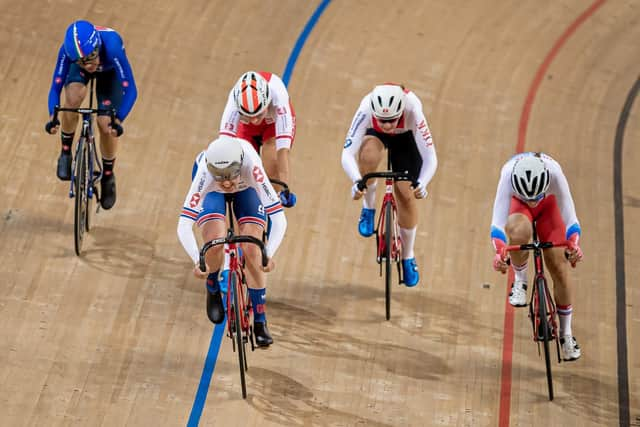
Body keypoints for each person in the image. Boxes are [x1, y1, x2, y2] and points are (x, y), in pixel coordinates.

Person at [177, 136, 287, 347]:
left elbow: (279, 218)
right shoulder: (204, 172)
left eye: (230, 177)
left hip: (247, 189)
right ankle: (212, 285)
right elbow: (183, 225)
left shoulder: (252, 167)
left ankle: (260, 321)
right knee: (214, 240)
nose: (226, 183)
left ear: (239, 166)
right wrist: (198, 261)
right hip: (212, 194)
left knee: (254, 249)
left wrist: (268, 254)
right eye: (220, 178)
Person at [341, 83, 437, 287]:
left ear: (401, 111)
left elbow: (430, 157)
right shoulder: (366, 107)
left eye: (391, 120)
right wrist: (357, 181)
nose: (386, 125)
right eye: (382, 120)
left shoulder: (413, 108)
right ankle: (368, 208)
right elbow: (346, 153)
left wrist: (422, 183)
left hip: (407, 139)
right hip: (375, 138)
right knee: (367, 156)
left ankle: (408, 256)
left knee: (405, 194)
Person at [490, 152, 583, 361]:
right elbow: (497, 224)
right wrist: (500, 252)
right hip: (518, 208)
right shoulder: (507, 174)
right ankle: (520, 282)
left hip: (548, 207)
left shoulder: (555, 173)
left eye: (534, 197)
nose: (532, 202)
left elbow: (571, 219)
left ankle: (566, 334)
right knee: (518, 232)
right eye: (528, 197)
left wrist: (574, 245)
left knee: (559, 266)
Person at [45, 20, 138, 210]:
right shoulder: (67, 51)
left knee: (106, 124)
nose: (88, 65)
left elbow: (131, 89)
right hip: (77, 73)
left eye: (91, 57)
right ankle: (65, 152)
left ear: (98, 46)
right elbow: (55, 86)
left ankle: (108, 175)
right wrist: (52, 115)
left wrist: (118, 119)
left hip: (109, 74)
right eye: (82, 61)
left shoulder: (112, 46)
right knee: (72, 99)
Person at [218, 71, 297, 208]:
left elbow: (283, 151)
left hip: (273, 125)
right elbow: (224, 146)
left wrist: (285, 189)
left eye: (258, 114)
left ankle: (271, 212)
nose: (254, 120)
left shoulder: (279, 99)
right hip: (246, 129)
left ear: (266, 103)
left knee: (273, 173)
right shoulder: (234, 102)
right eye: (249, 115)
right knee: (240, 177)